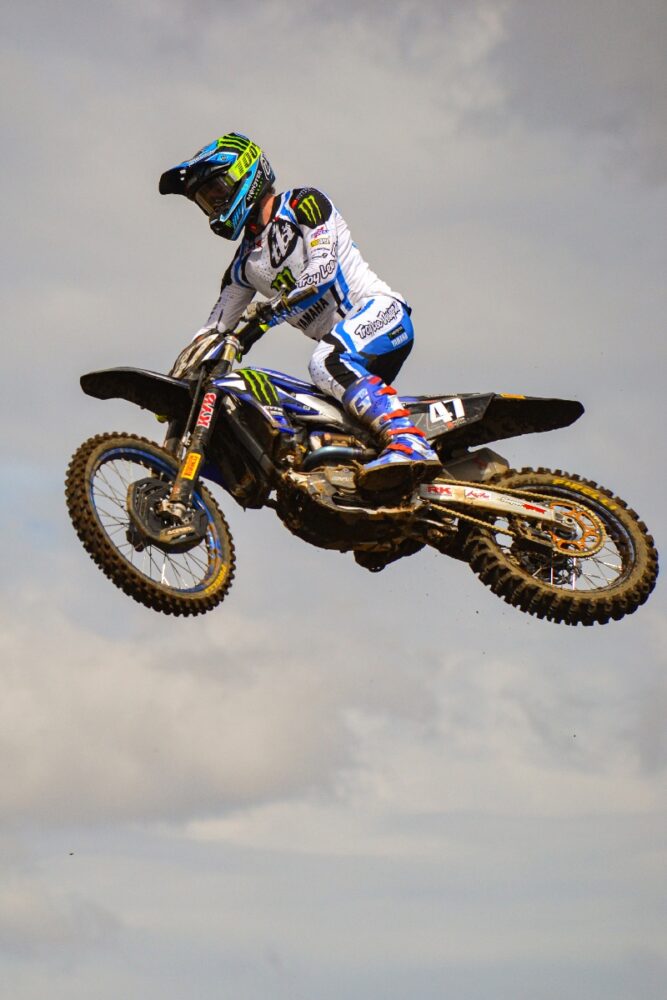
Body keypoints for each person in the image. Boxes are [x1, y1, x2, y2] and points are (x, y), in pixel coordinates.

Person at [159, 131, 440, 491]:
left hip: (380, 313)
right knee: (312, 423)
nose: (214, 203)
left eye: (216, 190)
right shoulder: (243, 266)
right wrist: (178, 382)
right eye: (205, 199)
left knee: (324, 361)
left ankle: (410, 443)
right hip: (347, 350)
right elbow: (213, 331)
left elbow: (322, 271)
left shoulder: (303, 203)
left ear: (246, 174)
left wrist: (265, 318)